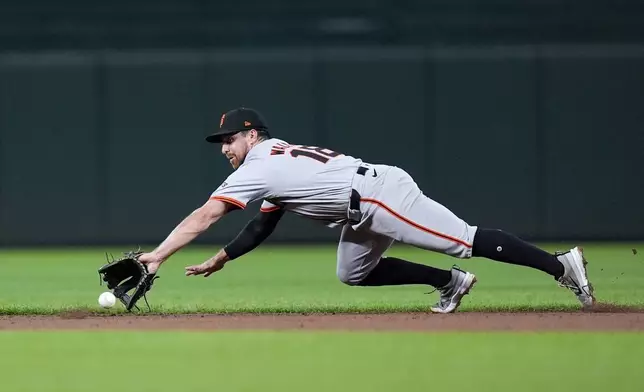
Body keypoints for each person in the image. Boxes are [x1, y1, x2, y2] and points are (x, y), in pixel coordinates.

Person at [137, 107, 595, 313]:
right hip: (362, 204)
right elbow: (263, 223)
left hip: (379, 196)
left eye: (230, 139)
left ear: (252, 135)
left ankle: (561, 265)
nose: (224, 147)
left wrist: (158, 256)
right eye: (221, 142)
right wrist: (223, 258)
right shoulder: (277, 158)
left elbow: (205, 215)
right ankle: (449, 284)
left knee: (464, 240)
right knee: (353, 272)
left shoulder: (257, 166)